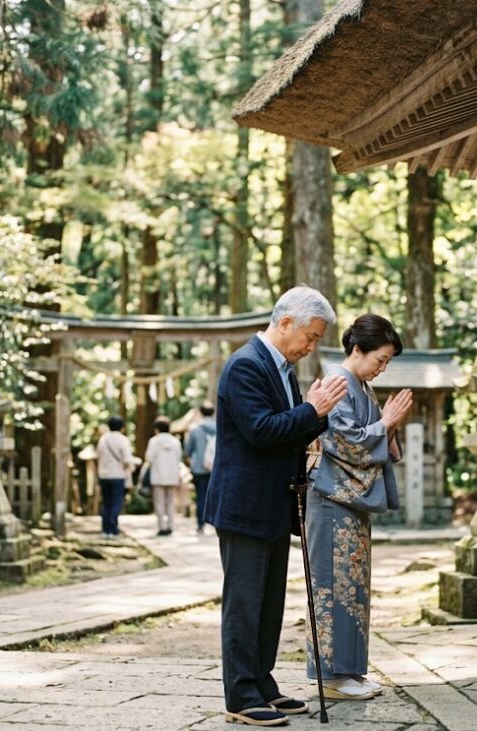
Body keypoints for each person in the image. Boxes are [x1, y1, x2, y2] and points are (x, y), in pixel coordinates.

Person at [204, 286, 348, 727]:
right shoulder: (245, 366)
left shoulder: (283, 369)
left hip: (273, 502)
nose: (311, 346)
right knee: (245, 603)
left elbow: (290, 433)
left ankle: (262, 683)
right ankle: (240, 694)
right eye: (310, 336)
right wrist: (313, 409)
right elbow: (262, 431)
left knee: (269, 603)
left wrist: (314, 415)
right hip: (244, 504)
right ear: (285, 322)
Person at [306, 314, 413, 700]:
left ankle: (349, 671)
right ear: (357, 349)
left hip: (351, 500)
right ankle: (332, 677)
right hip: (332, 498)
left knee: (353, 587)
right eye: (380, 359)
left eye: (387, 362)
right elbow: (345, 442)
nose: (382, 368)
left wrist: (390, 423)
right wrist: (386, 422)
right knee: (333, 586)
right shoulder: (337, 382)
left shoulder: (362, 387)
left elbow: (377, 442)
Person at [96, 416, 139, 538]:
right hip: (118, 475)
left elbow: (98, 456)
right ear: (122, 428)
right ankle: (113, 529)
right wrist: (135, 462)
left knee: (106, 503)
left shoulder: (103, 439)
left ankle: (105, 530)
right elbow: (126, 459)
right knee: (116, 503)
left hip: (103, 475)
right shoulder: (123, 440)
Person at [145, 415, 183, 536]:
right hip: (172, 475)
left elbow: (149, 459)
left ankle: (161, 527)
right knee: (170, 502)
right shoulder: (175, 441)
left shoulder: (154, 441)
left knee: (159, 503)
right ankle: (170, 526)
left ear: (157, 428)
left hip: (158, 476)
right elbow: (179, 458)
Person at [184, 401, 216, 534]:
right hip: (216, 467)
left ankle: (201, 524)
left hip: (199, 467)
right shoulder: (220, 427)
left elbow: (188, 450)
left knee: (201, 495)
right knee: (215, 495)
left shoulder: (195, 430)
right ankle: (215, 523)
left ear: (201, 412)